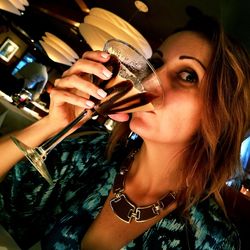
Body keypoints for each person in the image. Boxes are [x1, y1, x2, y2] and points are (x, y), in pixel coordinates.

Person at [0, 13, 250, 250]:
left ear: (221, 116)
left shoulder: (212, 239)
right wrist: (50, 125)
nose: (148, 82)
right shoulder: (88, 155)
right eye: (155, 64)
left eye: (187, 75)